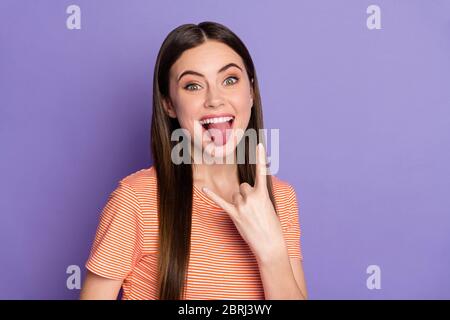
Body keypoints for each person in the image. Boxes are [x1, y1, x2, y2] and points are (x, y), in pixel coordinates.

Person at [80, 21, 307, 300]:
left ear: (251, 92)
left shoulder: (281, 198)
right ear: (169, 104)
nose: (215, 99)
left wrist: (271, 251)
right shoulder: (135, 200)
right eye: (193, 86)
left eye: (230, 80)